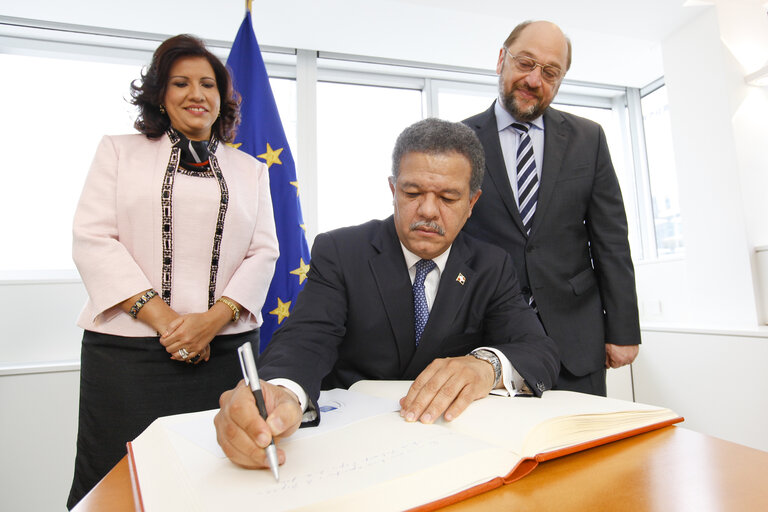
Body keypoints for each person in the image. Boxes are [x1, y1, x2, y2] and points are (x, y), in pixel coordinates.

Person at [213, 118, 560, 470]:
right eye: (412, 193)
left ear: (472, 203)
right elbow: (307, 337)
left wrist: (485, 366)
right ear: (392, 190)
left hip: (453, 451)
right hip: (355, 449)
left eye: (448, 197)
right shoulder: (341, 251)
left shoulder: (491, 265)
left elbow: (538, 351)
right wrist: (283, 392)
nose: (427, 210)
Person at [67, 34, 279, 508]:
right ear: (161, 93)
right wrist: (171, 325)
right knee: (117, 483)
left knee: (219, 480)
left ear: (222, 97)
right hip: (129, 356)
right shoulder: (119, 151)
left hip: (224, 354)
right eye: (180, 83)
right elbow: (93, 238)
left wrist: (208, 324)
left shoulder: (250, 170)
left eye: (207, 84)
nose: (196, 94)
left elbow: (264, 252)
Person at [462, 20, 640, 397]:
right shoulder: (460, 141)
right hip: (490, 339)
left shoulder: (588, 139)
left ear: (559, 80)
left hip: (576, 339)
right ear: (501, 60)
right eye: (525, 63)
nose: (534, 79)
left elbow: (611, 240)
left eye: (550, 72)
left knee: (584, 447)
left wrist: (623, 331)